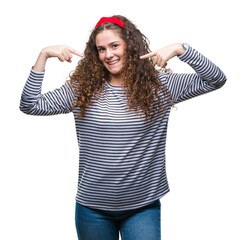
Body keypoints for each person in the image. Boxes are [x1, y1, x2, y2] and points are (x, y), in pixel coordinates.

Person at [19, 15, 226, 240]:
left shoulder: (161, 86)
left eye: (115, 45)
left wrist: (181, 49)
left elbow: (216, 80)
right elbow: (30, 104)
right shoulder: (82, 90)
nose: (108, 55)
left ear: (131, 45)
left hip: (142, 207)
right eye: (101, 49)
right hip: (92, 208)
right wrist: (43, 55)